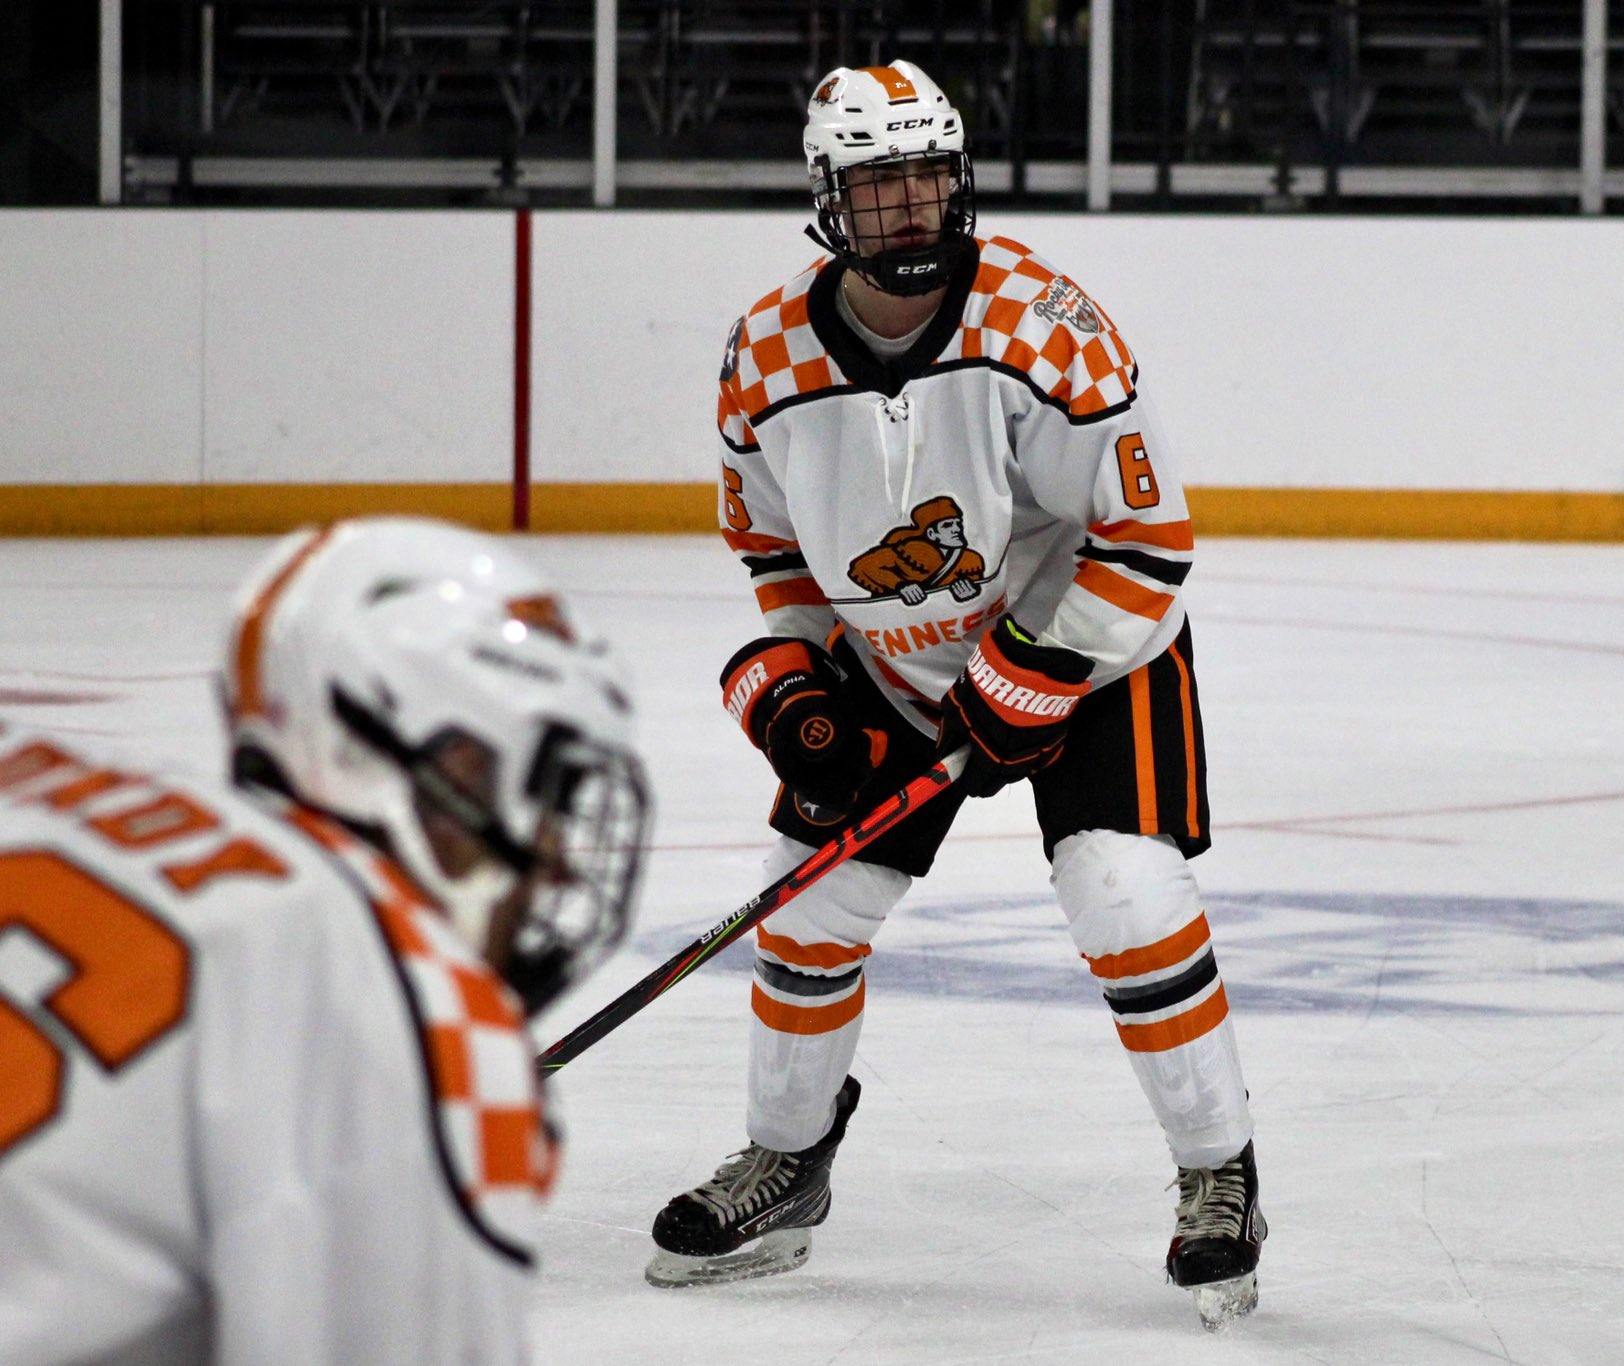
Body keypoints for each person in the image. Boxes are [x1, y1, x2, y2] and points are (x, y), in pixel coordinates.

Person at [649, 59, 1263, 1327]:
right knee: (809, 912)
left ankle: (1219, 1176)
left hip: (1090, 654)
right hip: (894, 668)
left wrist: (1034, 670)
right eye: (879, 186)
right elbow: (774, 557)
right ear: (827, 201)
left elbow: (1145, 538)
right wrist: (793, 693)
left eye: (930, 174)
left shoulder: (1040, 324)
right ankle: (786, 1160)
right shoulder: (763, 361)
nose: (912, 206)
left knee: (1124, 892)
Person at [0, 517, 650, 1363]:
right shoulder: (410, 1012)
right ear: (428, 762)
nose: (558, 863)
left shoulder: (37, 780)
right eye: (537, 782)